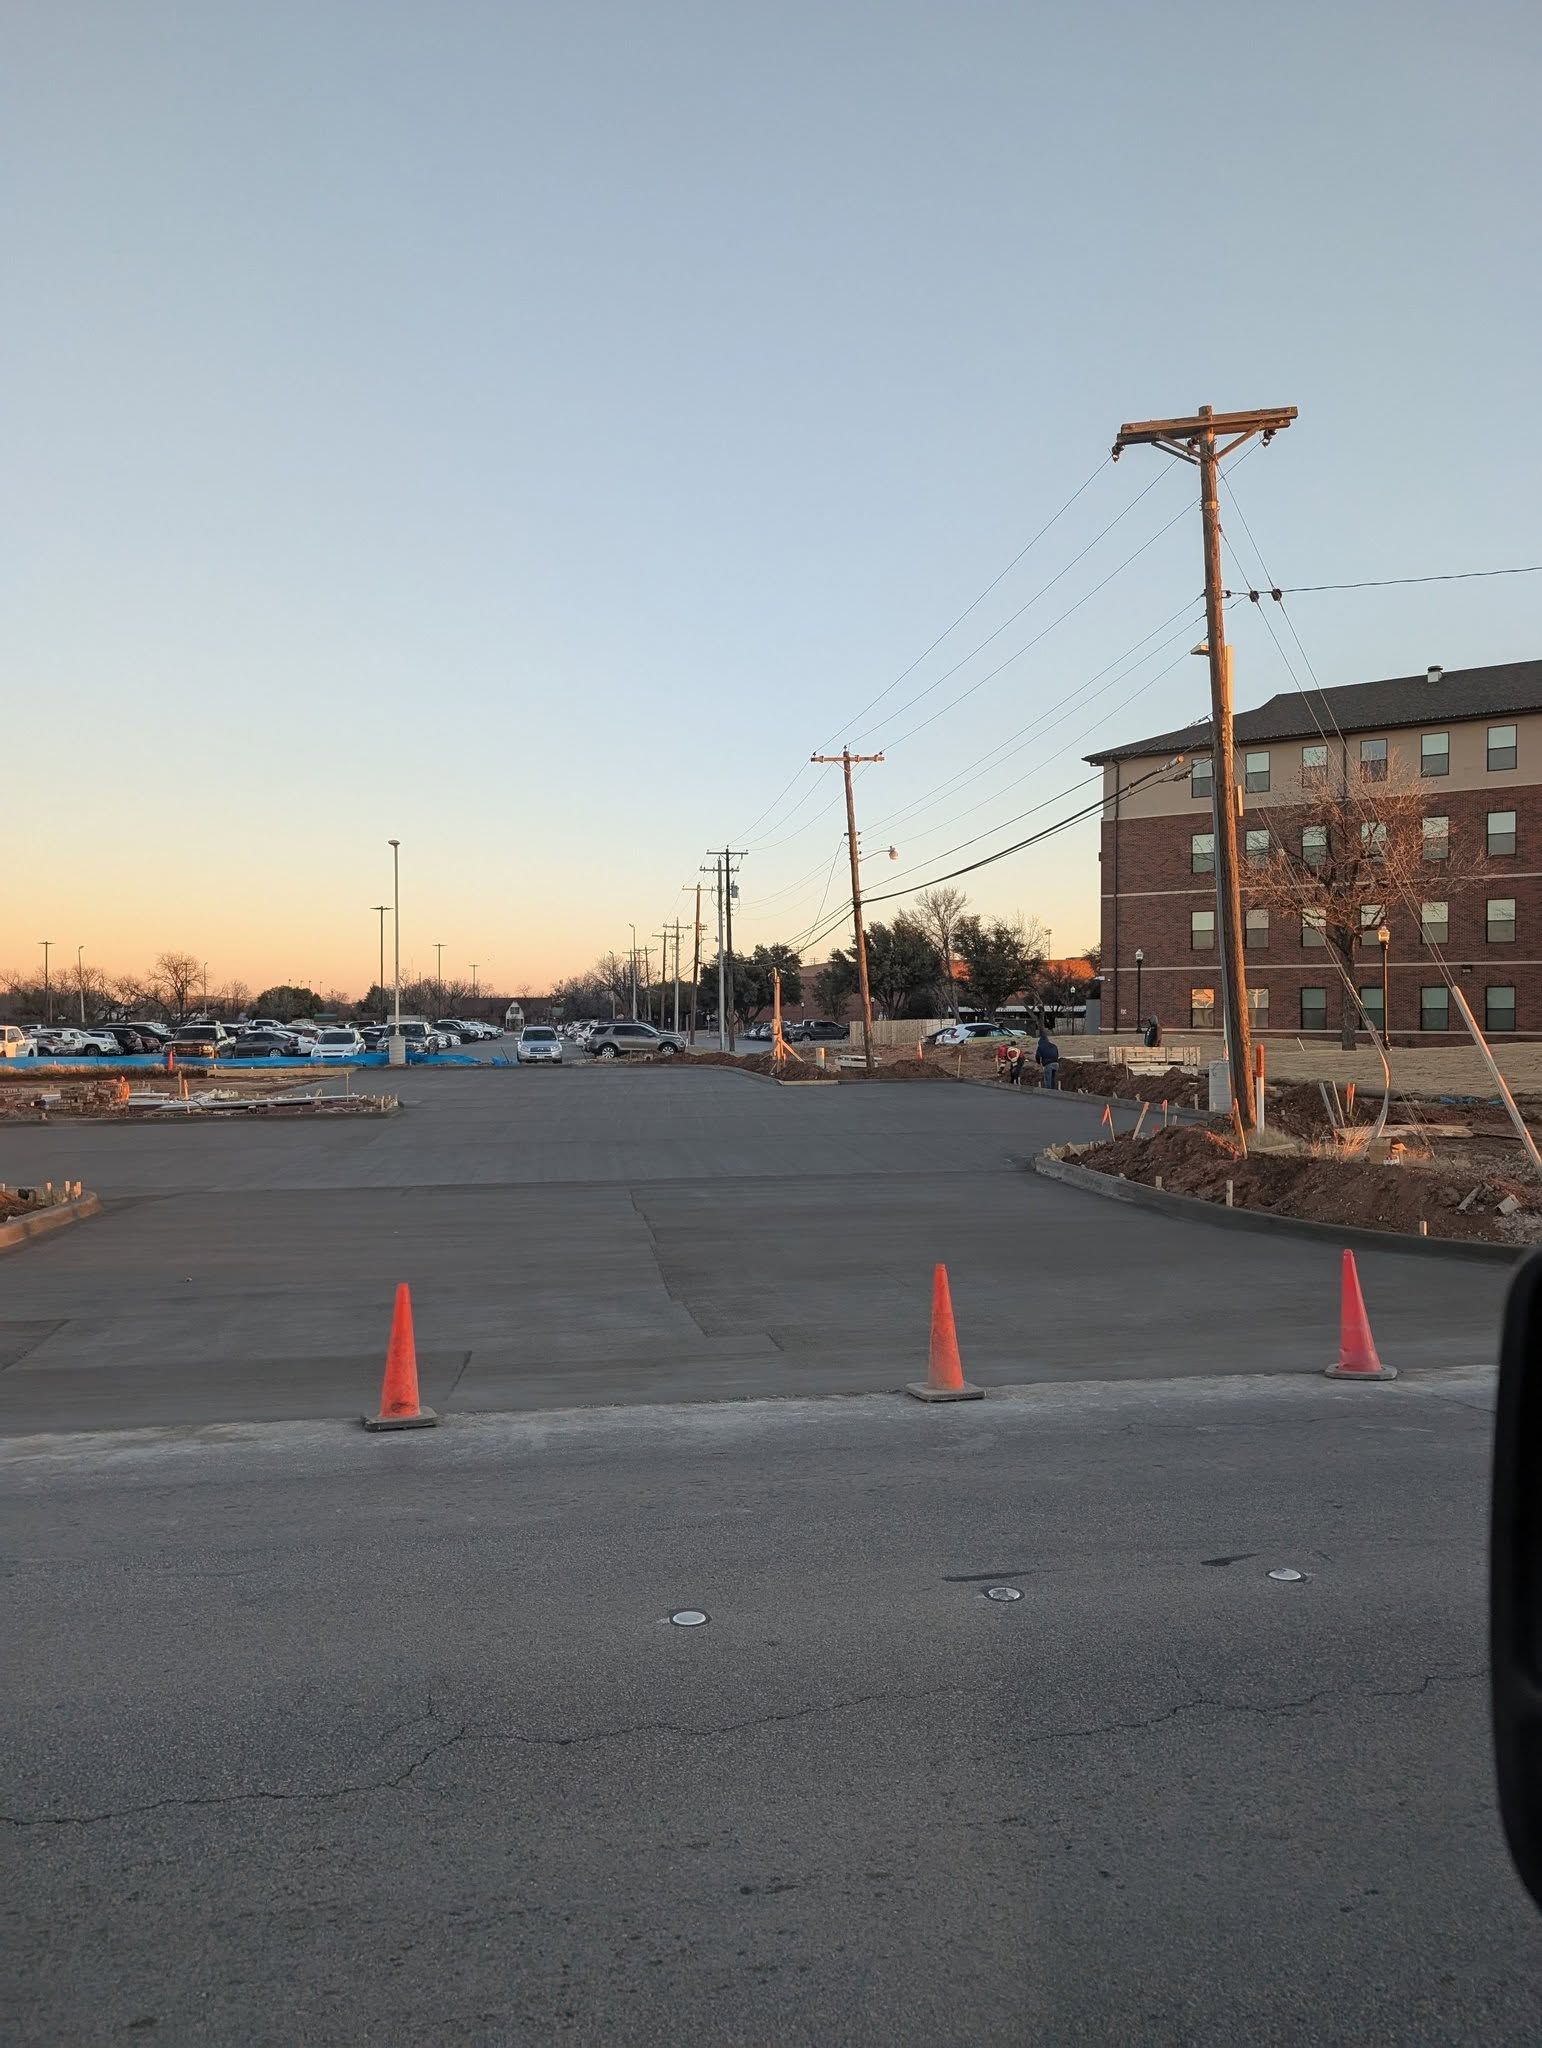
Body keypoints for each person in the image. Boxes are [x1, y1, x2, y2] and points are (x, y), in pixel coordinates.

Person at [1035, 1023, 1060, 1089]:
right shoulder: (1054, 1046)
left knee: (1047, 1079)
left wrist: (1038, 1063)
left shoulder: (1040, 1047)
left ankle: (1048, 1093)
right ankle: (1054, 1091)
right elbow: (1057, 1055)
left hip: (1048, 1065)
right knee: (1053, 1079)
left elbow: (1037, 1056)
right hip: (1056, 1064)